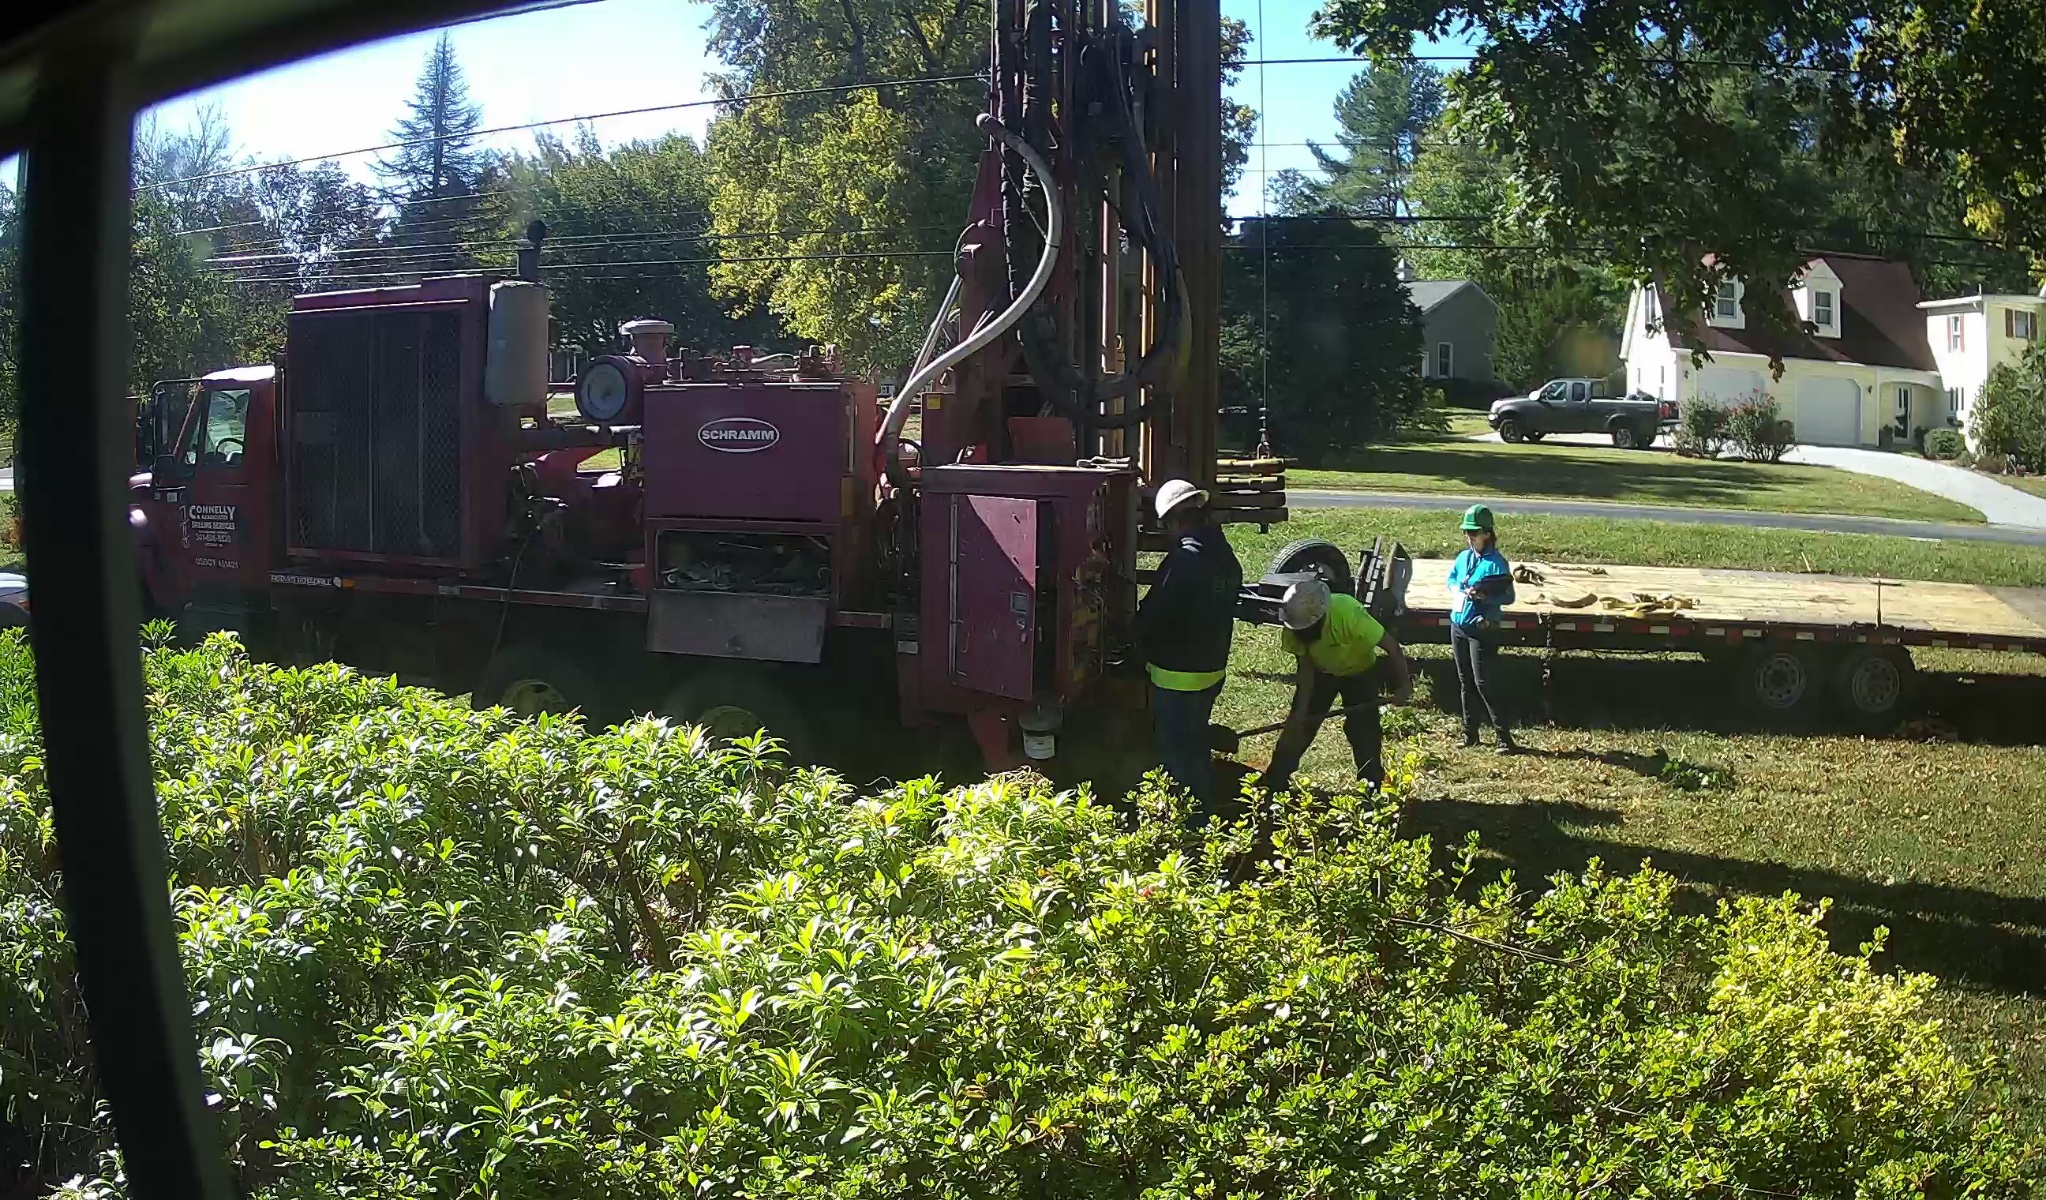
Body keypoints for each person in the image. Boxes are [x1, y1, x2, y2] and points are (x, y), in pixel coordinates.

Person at [1136, 478, 1242, 817]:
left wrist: (1134, 637)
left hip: (1176, 676)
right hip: (1211, 669)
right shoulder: (1226, 556)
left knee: (1176, 751)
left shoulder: (1183, 561)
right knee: (1196, 743)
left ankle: (1193, 822)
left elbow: (1154, 616)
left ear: (1175, 521)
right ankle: (1206, 807)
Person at [1260, 576, 1414, 793]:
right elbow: (1305, 671)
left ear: (1319, 619)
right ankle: (1275, 778)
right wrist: (1300, 713)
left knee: (1364, 730)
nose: (1302, 635)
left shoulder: (1347, 613)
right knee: (1299, 728)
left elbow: (1392, 648)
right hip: (1321, 673)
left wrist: (1404, 686)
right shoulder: (1294, 623)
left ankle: (1370, 785)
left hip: (1360, 672)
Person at [1445, 503, 1518, 753]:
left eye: (1473, 533)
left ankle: (1504, 738)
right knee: (1465, 681)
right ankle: (1470, 733)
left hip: (1481, 629)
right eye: (1466, 532)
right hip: (1458, 625)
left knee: (1484, 683)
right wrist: (1458, 589)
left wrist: (1485, 597)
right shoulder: (1463, 557)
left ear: (1487, 533)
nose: (1469, 537)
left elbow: (1509, 597)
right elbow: (1452, 578)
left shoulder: (1497, 564)